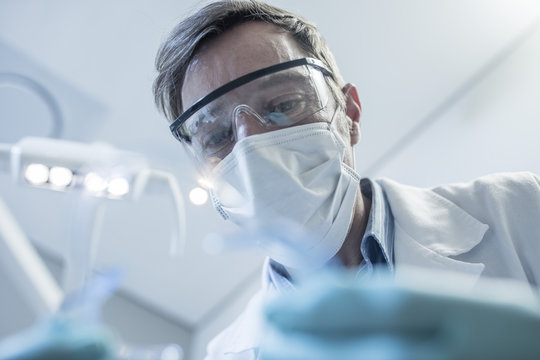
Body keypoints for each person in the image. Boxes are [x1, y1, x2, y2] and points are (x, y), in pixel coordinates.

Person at [153, 1, 540, 359]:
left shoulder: (520, 208)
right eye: (218, 136)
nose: (253, 146)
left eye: (285, 105)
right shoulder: (224, 353)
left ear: (349, 112)